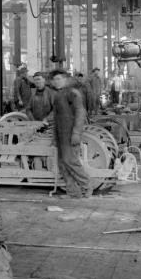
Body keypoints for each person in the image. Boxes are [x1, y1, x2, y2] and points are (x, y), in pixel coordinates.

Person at [50, 69, 92, 198]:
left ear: (66, 79)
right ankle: (73, 192)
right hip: (60, 133)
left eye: (59, 79)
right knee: (62, 163)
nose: (56, 82)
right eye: (54, 80)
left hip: (70, 133)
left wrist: (76, 133)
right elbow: (57, 116)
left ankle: (87, 185)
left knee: (71, 161)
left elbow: (80, 113)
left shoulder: (73, 93)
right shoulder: (58, 95)